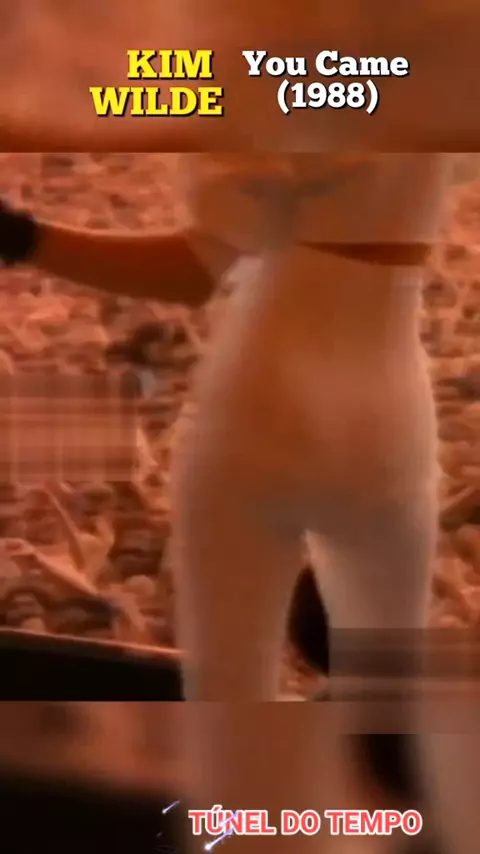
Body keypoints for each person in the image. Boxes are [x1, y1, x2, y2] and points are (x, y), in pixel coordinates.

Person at [0, 154, 453, 854]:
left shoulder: (268, 107)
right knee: (385, 718)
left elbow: (190, 270)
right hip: (389, 415)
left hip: (261, 410)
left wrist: (23, 236)